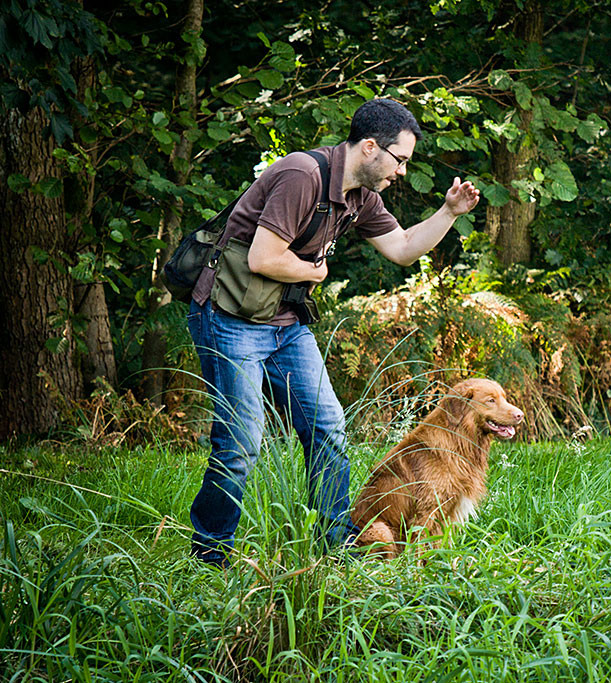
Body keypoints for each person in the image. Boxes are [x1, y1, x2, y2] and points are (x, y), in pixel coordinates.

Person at [186, 98, 480, 567]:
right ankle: (210, 555)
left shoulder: (361, 197)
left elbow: (403, 248)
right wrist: (314, 273)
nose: (402, 172)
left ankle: (335, 546)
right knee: (241, 443)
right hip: (230, 319)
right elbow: (263, 258)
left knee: (328, 429)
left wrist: (449, 212)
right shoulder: (303, 175)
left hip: (284, 323)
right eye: (399, 160)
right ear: (369, 148)